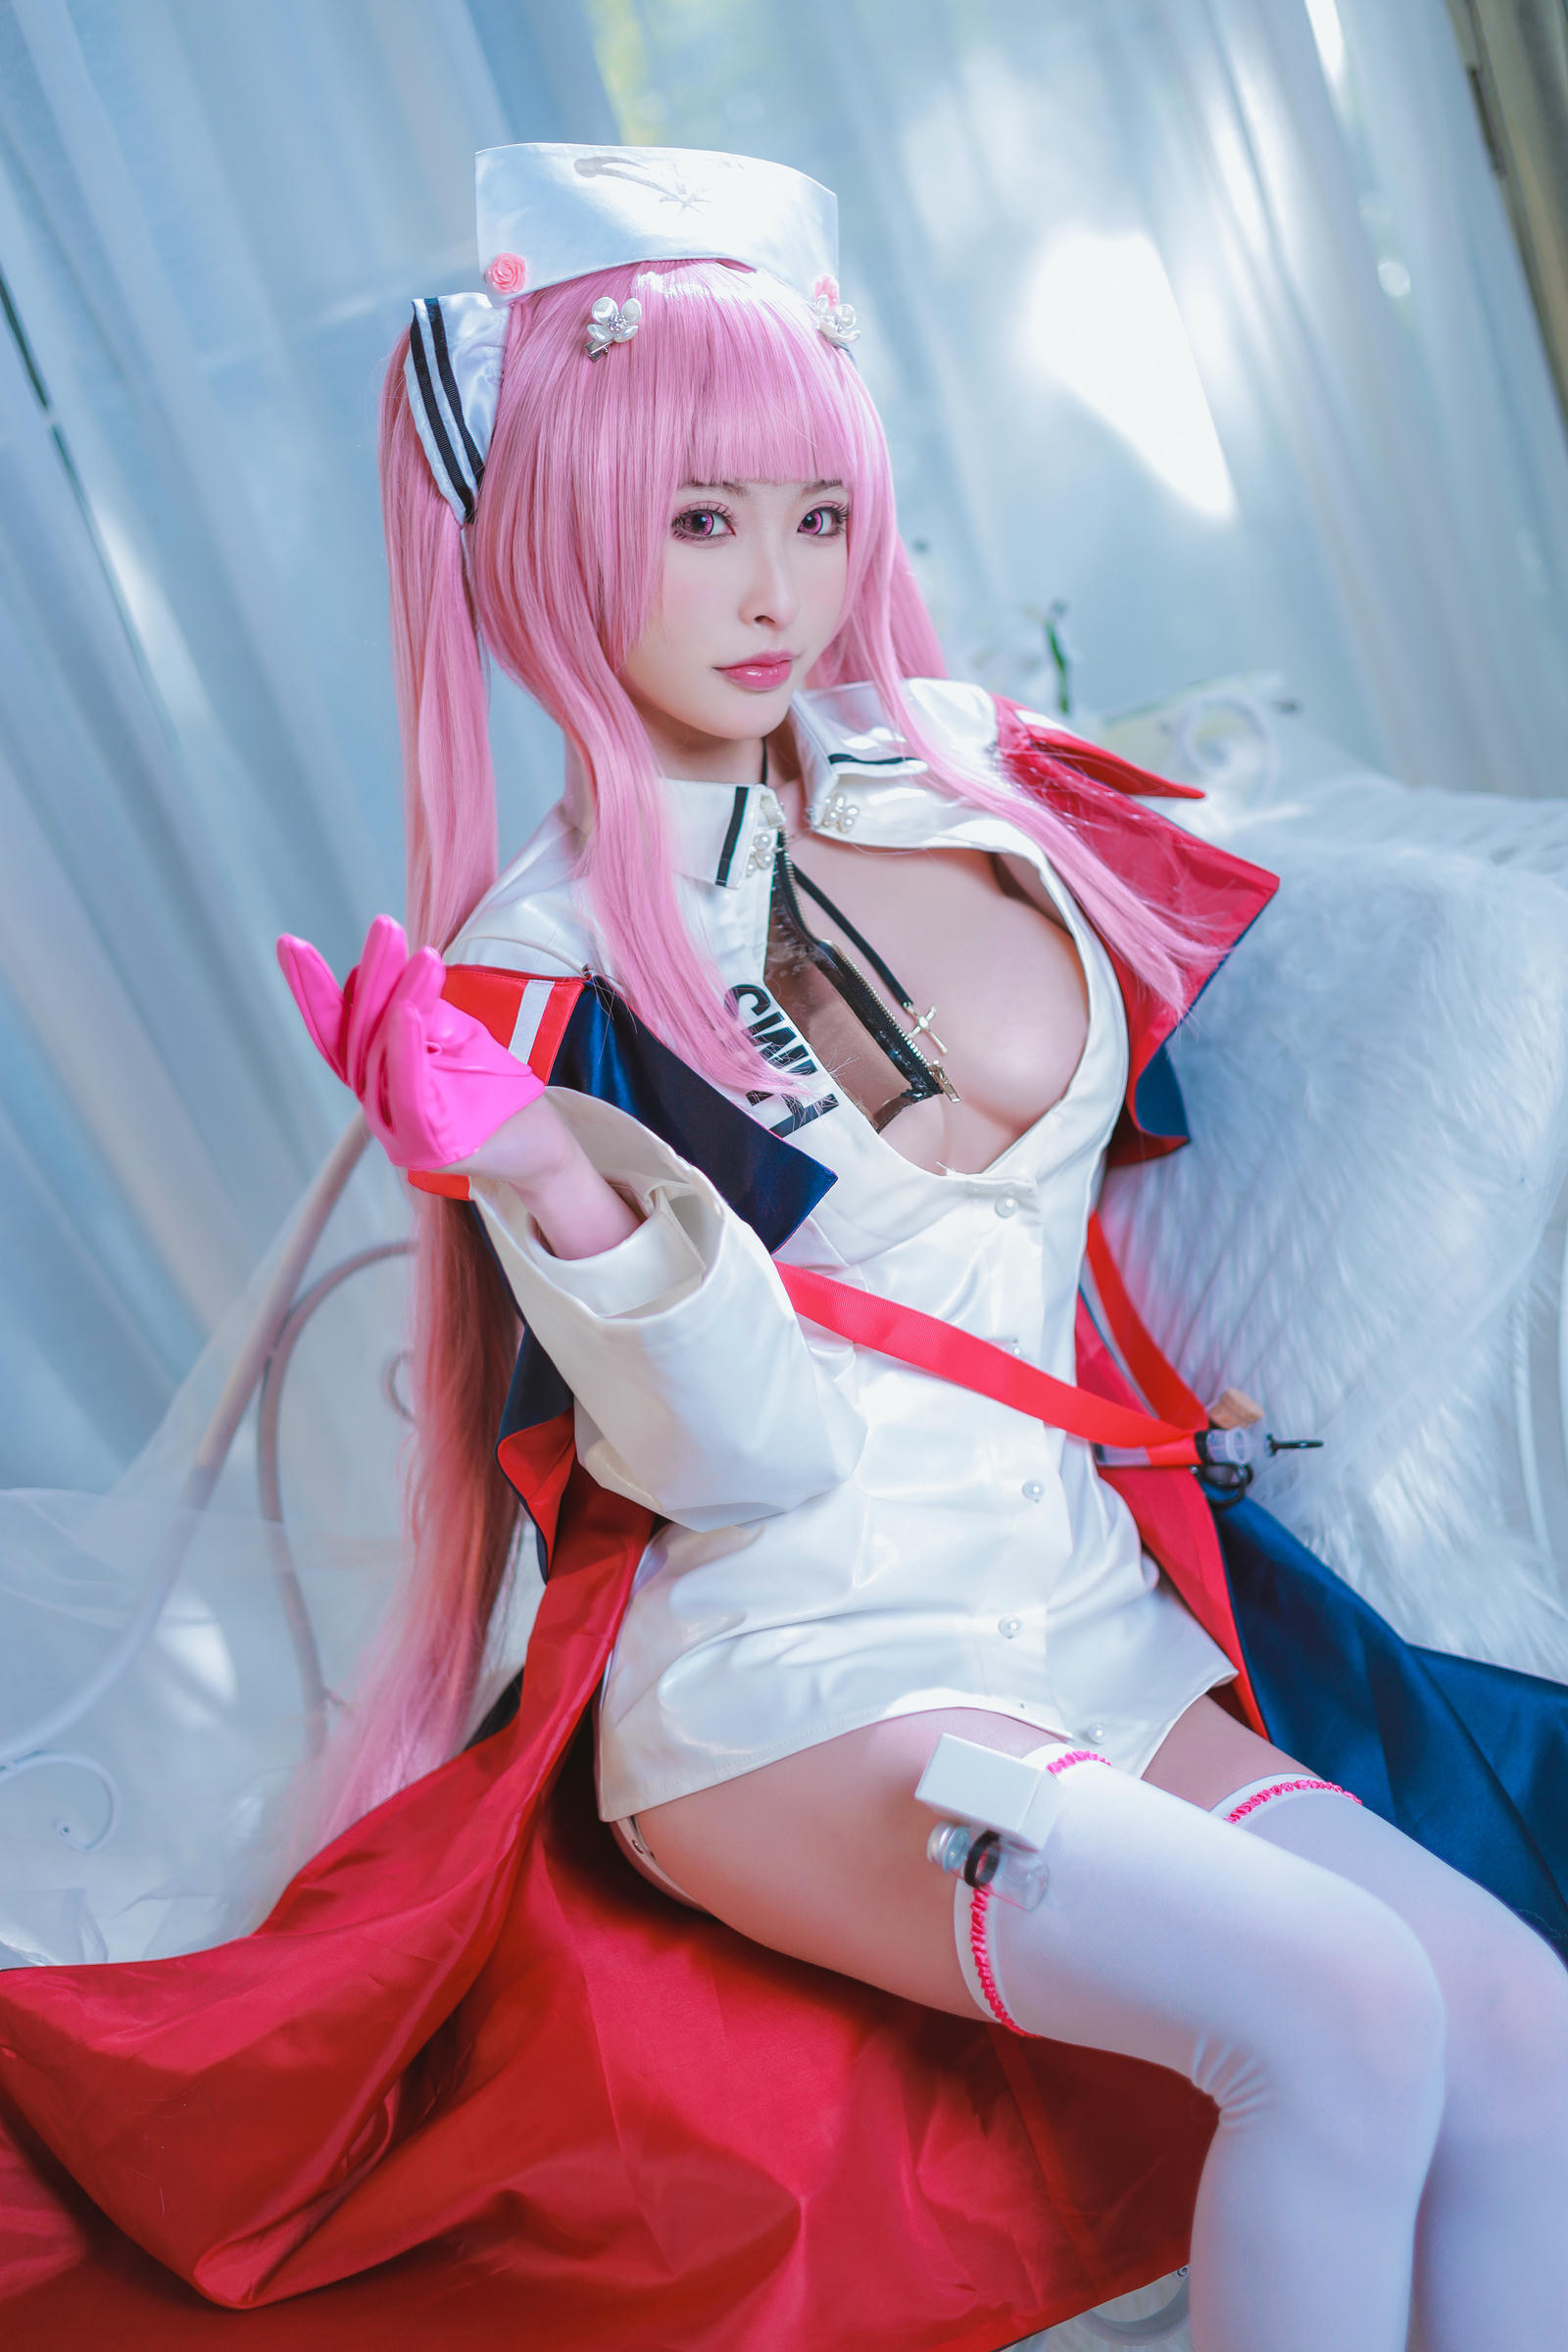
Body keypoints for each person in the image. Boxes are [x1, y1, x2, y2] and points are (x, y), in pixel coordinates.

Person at [3, 142, 1567, 2352]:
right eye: (698, 522)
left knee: (1510, 2022)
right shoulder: (539, 964)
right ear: (556, 534)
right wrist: (549, 1179)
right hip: (802, 1680)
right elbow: (731, 1467)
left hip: (1082, 1622)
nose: (776, 588)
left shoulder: (974, 785)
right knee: (1336, 2016)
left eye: (816, 515)